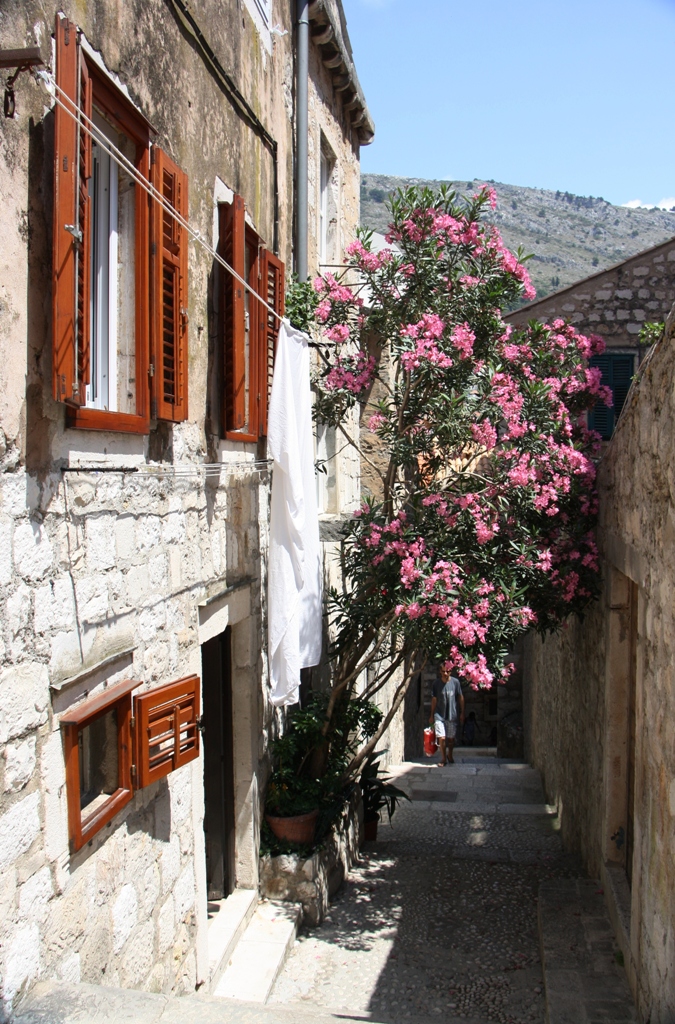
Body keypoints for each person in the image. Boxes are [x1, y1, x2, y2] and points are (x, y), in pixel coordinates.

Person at [430, 666, 464, 766]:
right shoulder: (436, 684)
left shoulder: (455, 682)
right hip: (439, 714)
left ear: (451, 672)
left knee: (451, 739)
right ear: (440, 671)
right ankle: (443, 758)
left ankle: (450, 755)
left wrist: (462, 712)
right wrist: (431, 715)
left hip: (452, 714)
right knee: (442, 737)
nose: (445, 673)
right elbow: (434, 700)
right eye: (443, 671)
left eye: (447, 671)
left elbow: (460, 697)